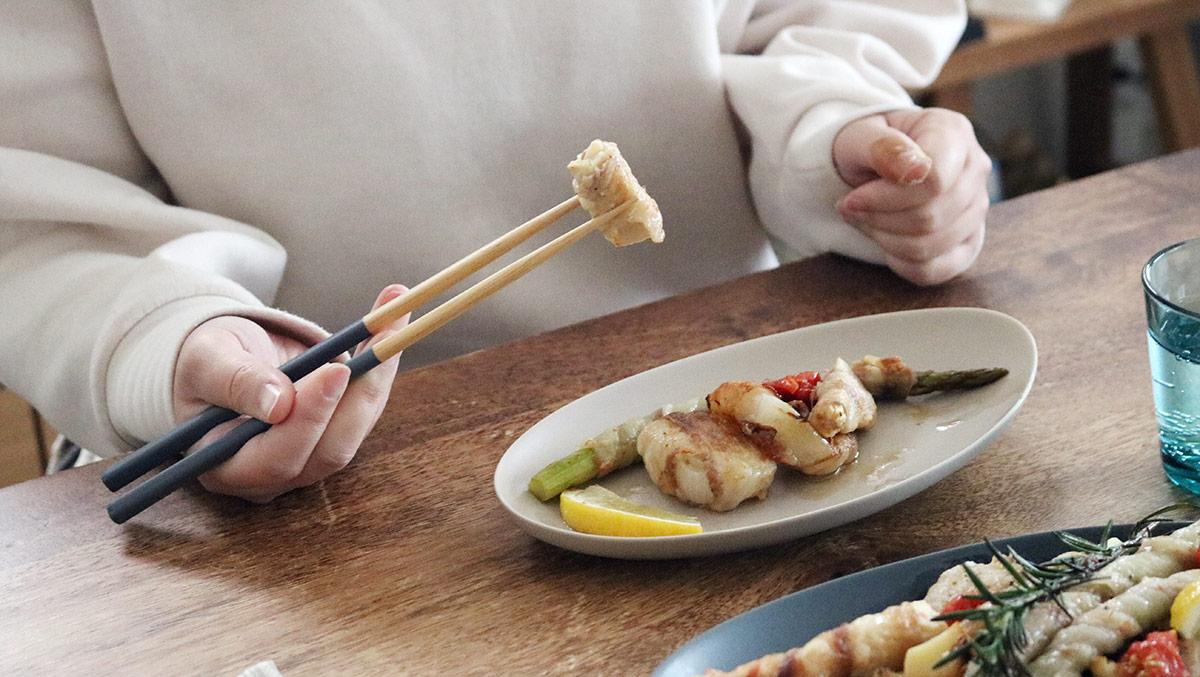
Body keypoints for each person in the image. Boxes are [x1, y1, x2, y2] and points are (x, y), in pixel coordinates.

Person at [0, 1, 991, 504]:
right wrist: (167, 342)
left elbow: (814, 27)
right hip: (284, 495)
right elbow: (33, 213)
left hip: (714, 411)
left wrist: (838, 141)